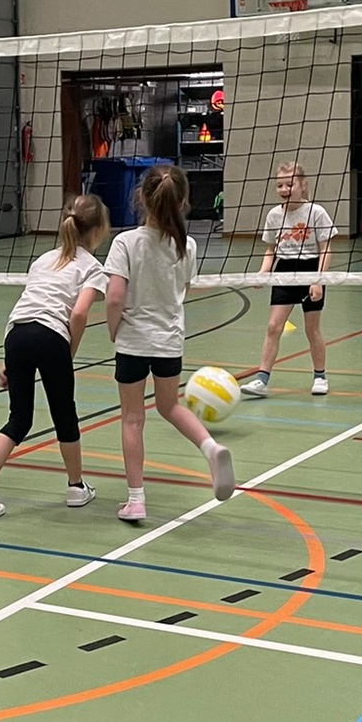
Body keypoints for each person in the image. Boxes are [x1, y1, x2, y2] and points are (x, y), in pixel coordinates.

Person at [0, 194, 111, 520]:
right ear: (99, 230)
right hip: (51, 336)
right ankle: (76, 487)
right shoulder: (93, 267)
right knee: (64, 415)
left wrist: (10, 364)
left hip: (16, 335)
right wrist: (68, 352)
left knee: (19, 419)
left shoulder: (42, 260)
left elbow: (31, 305)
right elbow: (79, 313)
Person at [105, 162, 235, 523]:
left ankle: (136, 500)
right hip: (169, 342)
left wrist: (113, 329)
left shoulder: (125, 242)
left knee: (132, 419)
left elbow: (114, 297)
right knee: (170, 406)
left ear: (141, 197)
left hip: (133, 342)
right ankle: (210, 446)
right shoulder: (186, 245)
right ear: (182, 203)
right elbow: (183, 290)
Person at [241, 161, 334, 400]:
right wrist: (263, 272)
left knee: (312, 328)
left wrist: (318, 280)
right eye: (279, 185)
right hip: (284, 272)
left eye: (289, 184)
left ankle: (320, 377)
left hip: (311, 270)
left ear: (303, 186)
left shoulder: (316, 212)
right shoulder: (274, 215)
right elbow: (271, 249)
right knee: (273, 326)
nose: (284, 189)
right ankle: (262, 380)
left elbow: (325, 249)